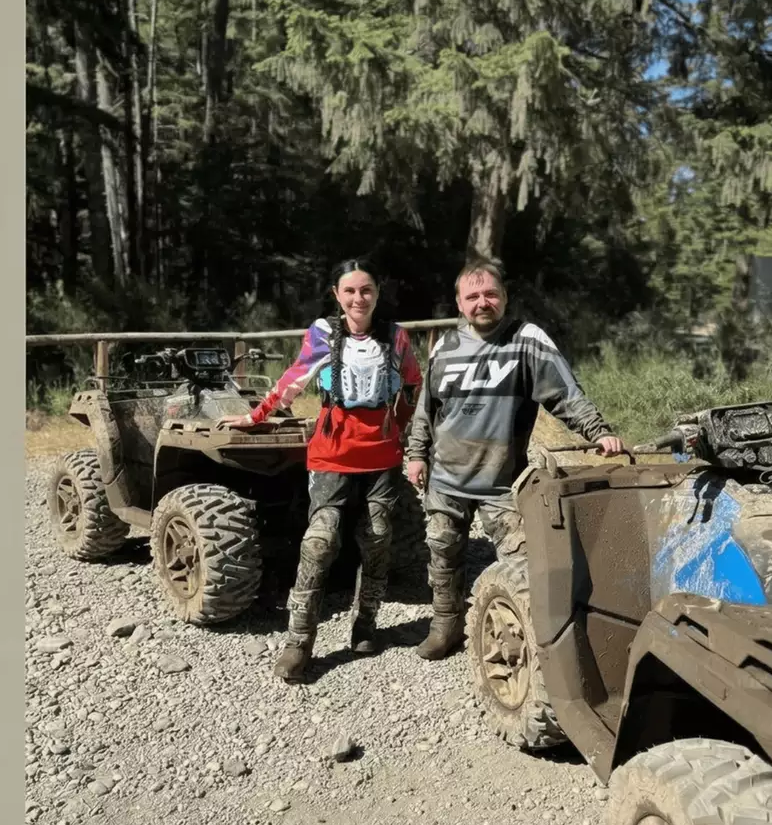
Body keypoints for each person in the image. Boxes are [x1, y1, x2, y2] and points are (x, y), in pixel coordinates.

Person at [402, 261, 624, 660]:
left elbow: (565, 393)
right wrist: (416, 455)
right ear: (459, 302)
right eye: (472, 296)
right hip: (445, 479)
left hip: (501, 482)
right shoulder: (445, 346)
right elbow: (426, 410)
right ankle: (446, 625)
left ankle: (528, 642)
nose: (482, 302)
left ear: (504, 297)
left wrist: (598, 431)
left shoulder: (526, 340)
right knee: (442, 551)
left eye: (490, 294)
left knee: (523, 563)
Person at [219, 260, 422, 682]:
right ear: (336, 295)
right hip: (332, 451)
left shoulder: (396, 336)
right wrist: (256, 415)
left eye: (366, 290)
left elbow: (413, 384)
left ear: (377, 293)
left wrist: (404, 432)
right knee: (319, 540)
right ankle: (299, 641)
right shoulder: (323, 333)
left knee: (379, 536)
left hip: (382, 455)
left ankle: (365, 624)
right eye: (349, 291)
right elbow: (294, 378)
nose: (358, 299)